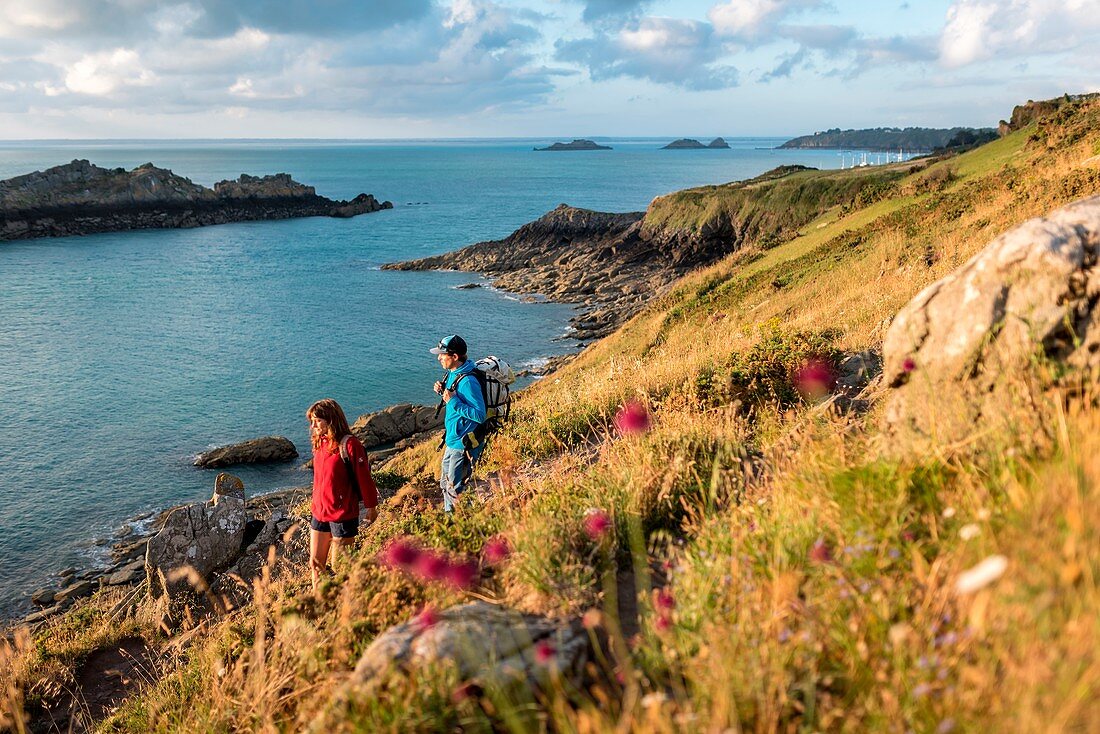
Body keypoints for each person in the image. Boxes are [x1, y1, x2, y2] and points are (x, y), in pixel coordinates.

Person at [306, 398, 378, 590]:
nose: (313, 425)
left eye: (317, 420)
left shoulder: (350, 445)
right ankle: (319, 605)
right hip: (319, 512)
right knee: (315, 564)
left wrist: (371, 506)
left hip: (342, 515)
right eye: (312, 421)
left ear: (331, 419)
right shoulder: (319, 442)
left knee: (341, 570)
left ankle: (343, 609)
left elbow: (364, 478)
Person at [430, 335, 487, 513]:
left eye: (442, 354)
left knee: (454, 489)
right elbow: (455, 399)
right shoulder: (454, 373)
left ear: (455, 357)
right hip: (453, 440)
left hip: (463, 444)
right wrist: (443, 392)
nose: (439, 357)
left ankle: (456, 526)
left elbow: (480, 415)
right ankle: (455, 518)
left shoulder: (468, 381)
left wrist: (452, 401)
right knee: (445, 484)